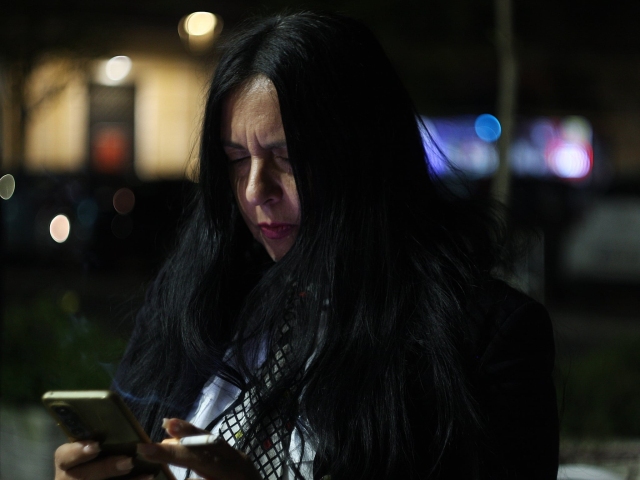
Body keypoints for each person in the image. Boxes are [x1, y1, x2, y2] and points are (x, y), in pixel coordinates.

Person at [54, 10, 559, 480]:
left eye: (288, 157)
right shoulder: (195, 298)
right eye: (236, 159)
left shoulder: (484, 338)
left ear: (363, 157)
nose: (256, 190)